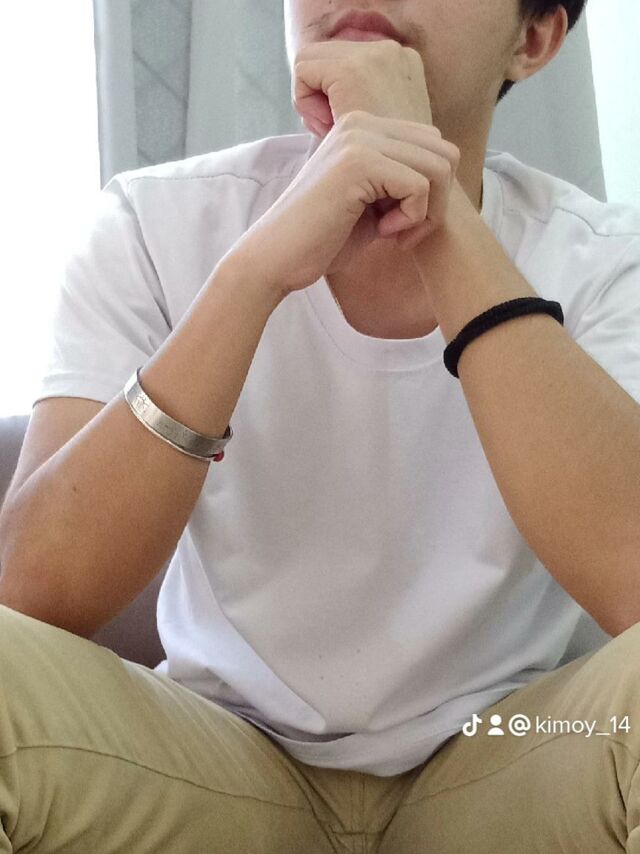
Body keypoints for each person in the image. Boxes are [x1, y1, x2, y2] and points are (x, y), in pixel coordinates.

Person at [1, 0, 639, 850]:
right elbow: (35, 596)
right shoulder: (152, 223)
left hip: (510, 751)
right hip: (216, 758)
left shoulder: (607, 260)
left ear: (533, 39)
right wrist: (252, 276)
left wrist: (438, 215)